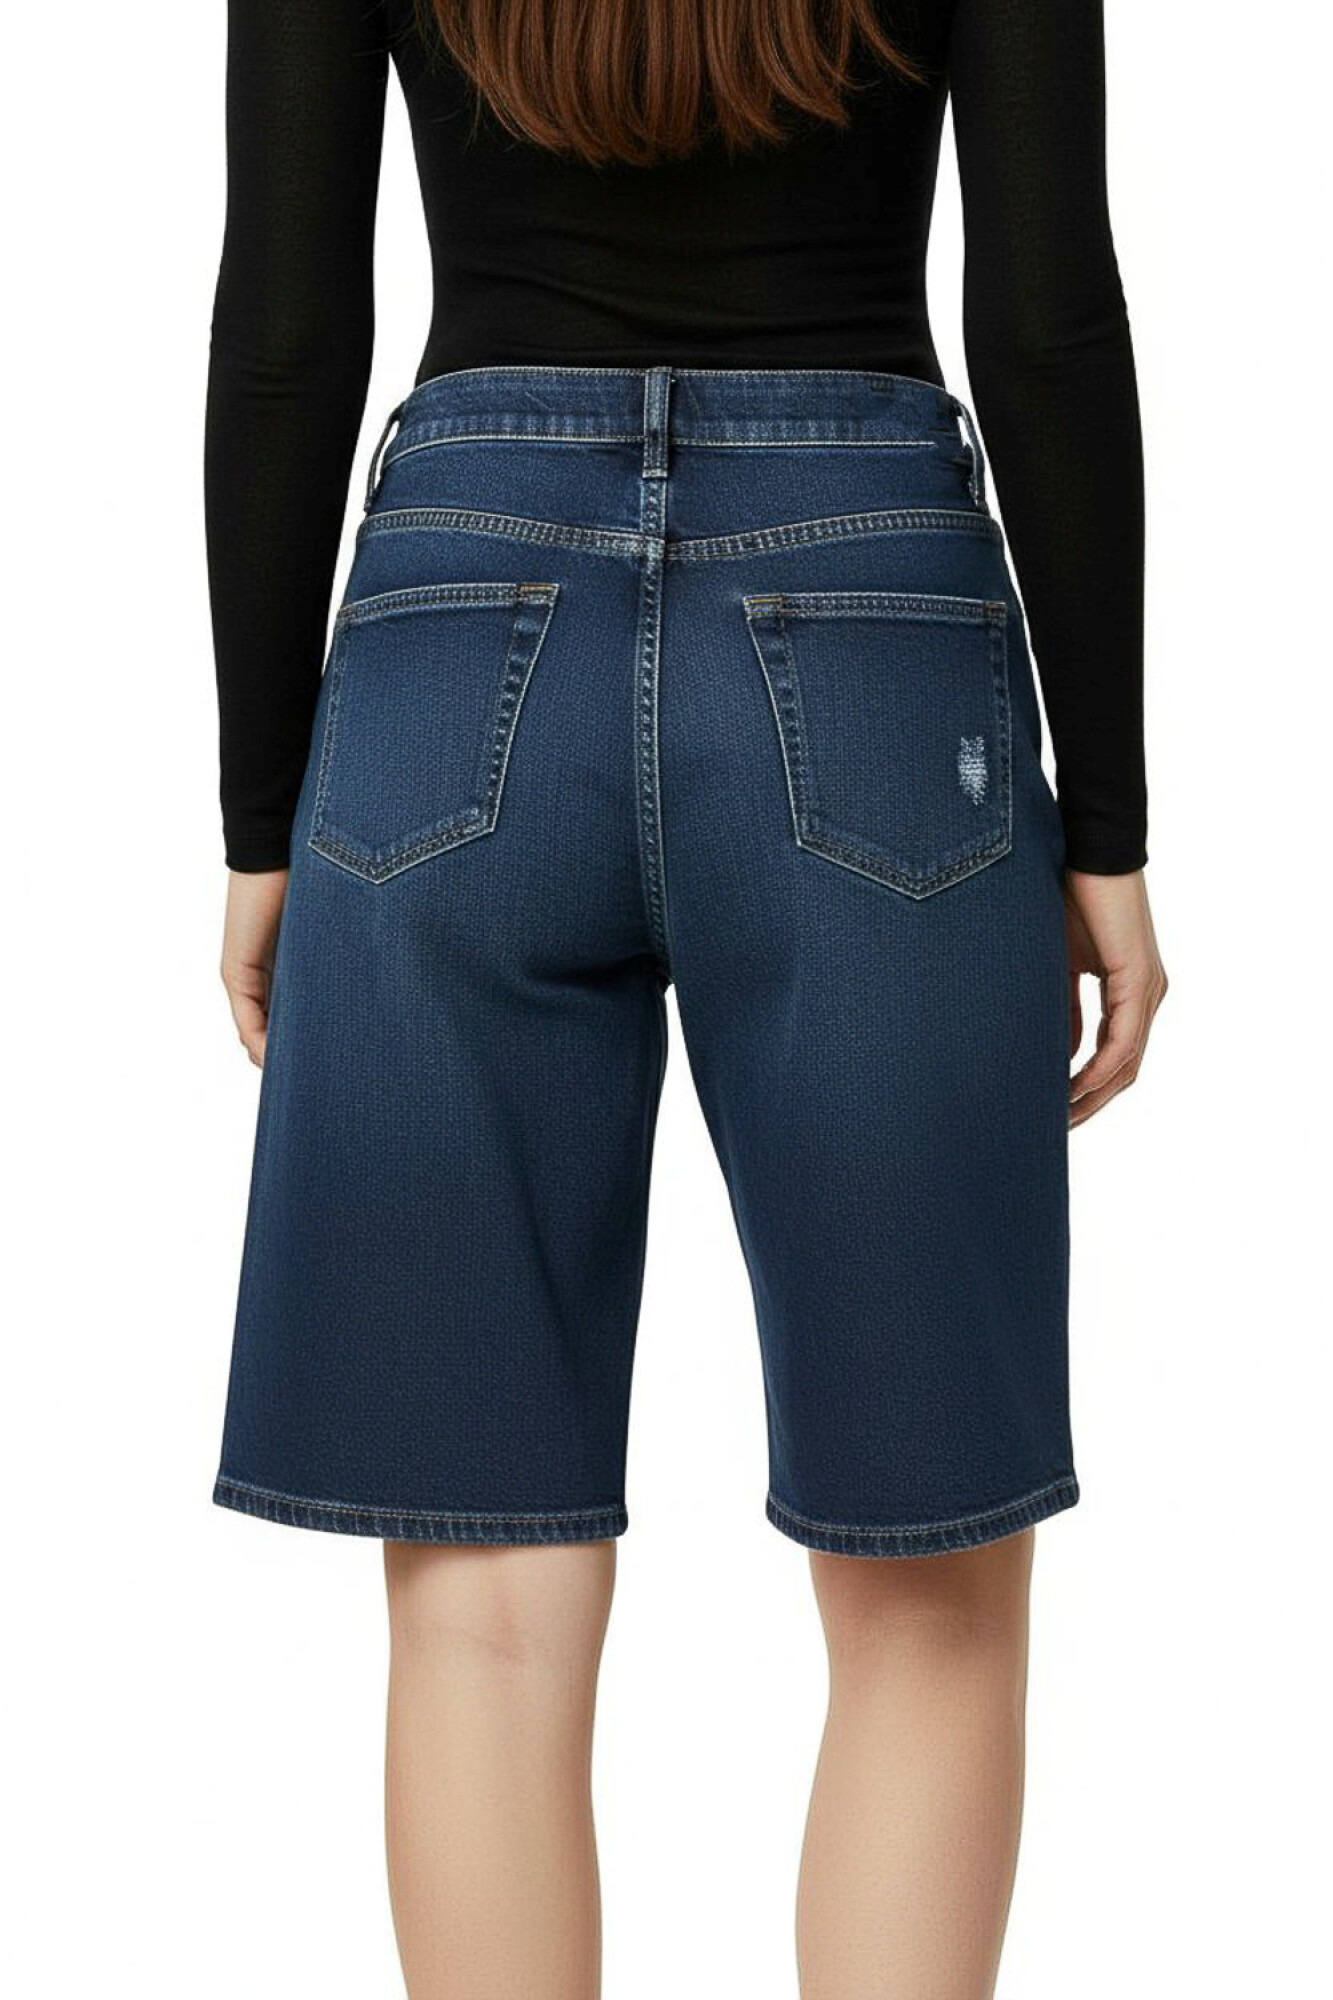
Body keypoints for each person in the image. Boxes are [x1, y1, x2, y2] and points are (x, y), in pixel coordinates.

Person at [206, 2, 1167, 1993]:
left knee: (479, 1604)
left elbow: (287, 325)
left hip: (456, 631)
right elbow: (1049, 316)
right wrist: (1107, 826)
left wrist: (259, 816)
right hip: (875, 625)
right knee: (927, 1593)